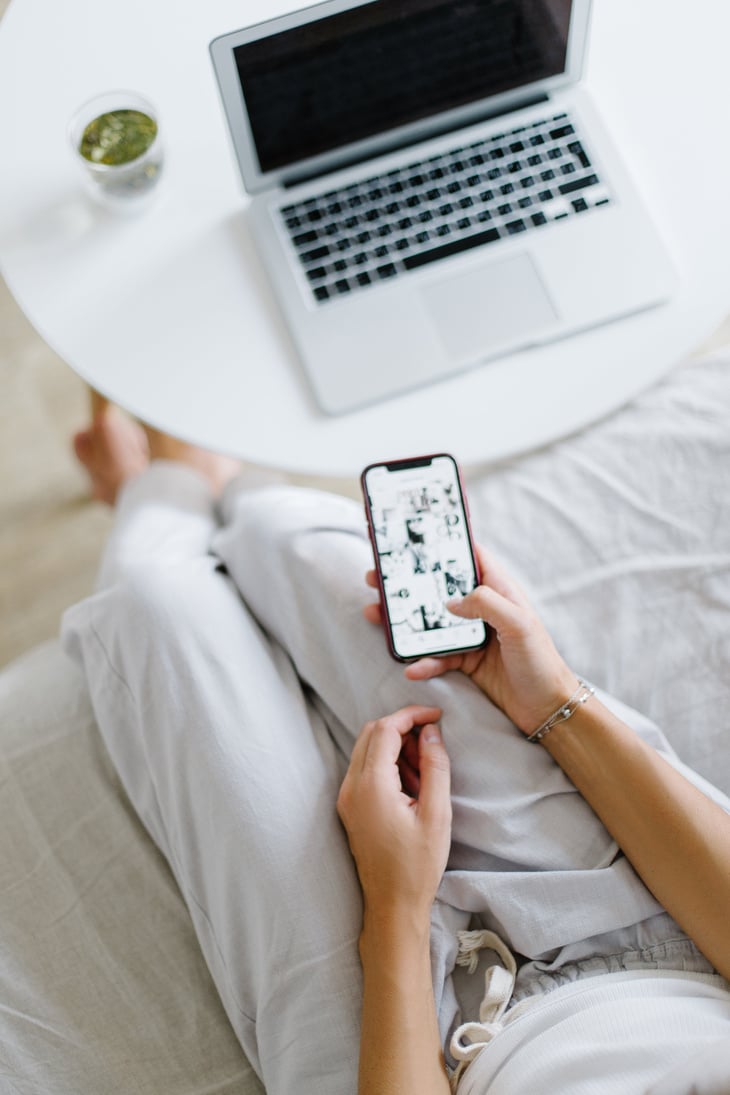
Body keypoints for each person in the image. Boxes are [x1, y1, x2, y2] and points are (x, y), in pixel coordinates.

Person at [62, 404, 730, 1095]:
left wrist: (396, 904)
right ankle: (205, 475)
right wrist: (552, 700)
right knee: (294, 541)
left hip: (408, 1052)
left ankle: (162, 481)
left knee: (158, 606)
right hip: (651, 940)